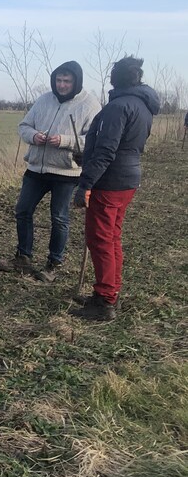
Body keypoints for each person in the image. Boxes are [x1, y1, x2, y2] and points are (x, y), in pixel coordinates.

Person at [70, 56, 159, 320]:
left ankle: (105, 301)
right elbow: (124, 146)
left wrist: (85, 183)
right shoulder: (143, 106)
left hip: (109, 182)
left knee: (99, 239)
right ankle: (109, 291)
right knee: (112, 237)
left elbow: (108, 150)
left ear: (114, 78)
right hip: (127, 180)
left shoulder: (117, 107)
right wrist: (87, 158)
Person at [0, 61, 101, 282]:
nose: (61, 85)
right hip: (36, 168)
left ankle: (54, 263)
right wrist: (34, 136)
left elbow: (93, 139)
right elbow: (24, 126)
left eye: (67, 81)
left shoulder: (90, 105)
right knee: (23, 210)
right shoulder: (44, 100)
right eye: (58, 80)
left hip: (67, 171)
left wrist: (64, 141)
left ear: (76, 82)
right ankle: (23, 257)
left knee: (59, 217)